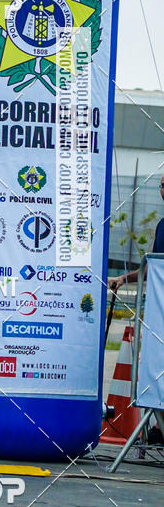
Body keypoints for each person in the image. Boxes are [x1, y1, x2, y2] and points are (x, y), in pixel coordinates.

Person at [108, 172, 164, 443]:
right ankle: (158, 429)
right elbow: (151, 266)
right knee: (152, 370)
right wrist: (123, 278)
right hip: (158, 313)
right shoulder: (162, 226)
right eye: (162, 185)